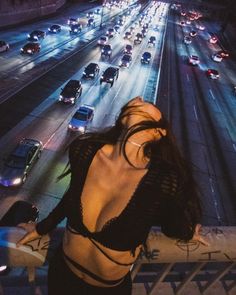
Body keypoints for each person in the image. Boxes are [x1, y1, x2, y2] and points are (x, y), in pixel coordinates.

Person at [17, 96, 207, 295]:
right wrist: (42, 227)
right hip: (62, 274)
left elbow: (171, 223)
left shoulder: (162, 181)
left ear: (158, 132)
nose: (140, 98)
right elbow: (71, 195)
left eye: (149, 105)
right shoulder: (85, 150)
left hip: (107, 290)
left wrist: (187, 231)